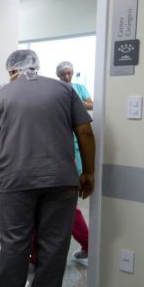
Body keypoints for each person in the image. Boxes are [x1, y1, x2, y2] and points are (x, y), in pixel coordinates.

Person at [0, 49, 95, 287]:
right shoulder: (64, 91)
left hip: (17, 180)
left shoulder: (1, 97)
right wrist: (88, 172)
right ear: (37, 66)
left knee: (14, 241)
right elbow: (85, 131)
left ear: (12, 70)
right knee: (55, 241)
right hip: (61, 179)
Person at [56, 61, 91, 259]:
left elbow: (85, 132)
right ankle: (34, 256)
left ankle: (88, 244)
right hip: (56, 157)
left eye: (70, 73)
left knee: (68, 208)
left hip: (67, 155)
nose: (67, 76)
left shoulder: (78, 89)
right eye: (64, 73)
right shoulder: (53, 92)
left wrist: (88, 173)